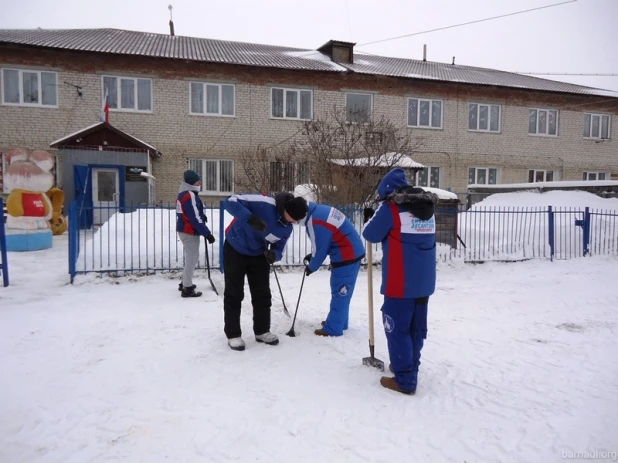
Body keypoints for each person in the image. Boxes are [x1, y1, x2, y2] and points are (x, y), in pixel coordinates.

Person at [362, 168, 438, 395]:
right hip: (424, 282)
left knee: (396, 329)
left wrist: (370, 217)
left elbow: (370, 234)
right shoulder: (428, 210)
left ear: (388, 193)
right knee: (415, 328)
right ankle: (408, 365)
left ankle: (404, 380)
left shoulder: (391, 208)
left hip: (400, 280)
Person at [222, 192, 308, 351]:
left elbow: (279, 246)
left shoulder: (287, 228)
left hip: (259, 255)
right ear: (288, 211)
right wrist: (250, 218)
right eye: (294, 218)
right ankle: (233, 334)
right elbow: (229, 201)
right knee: (234, 292)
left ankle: (262, 331)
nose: (295, 223)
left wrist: (274, 254)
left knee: (262, 294)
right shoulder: (265, 203)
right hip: (235, 248)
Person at [300, 203, 365, 337]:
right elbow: (326, 240)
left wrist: (312, 266)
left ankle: (334, 328)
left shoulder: (315, 220)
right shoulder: (320, 211)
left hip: (347, 257)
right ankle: (340, 321)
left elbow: (320, 249)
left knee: (340, 292)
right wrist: (312, 257)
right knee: (343, 292)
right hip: (351, 253)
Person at [176, 169, 216, 298]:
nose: (200, 183)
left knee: (190, 258)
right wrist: (207, 233)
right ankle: (187, 288)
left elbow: (190, 213)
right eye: (198, 181)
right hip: (189, 231)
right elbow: (194, 217)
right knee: (192, 259)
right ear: (192, 182)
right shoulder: (189, 195)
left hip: (185, 229)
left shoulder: (183, 193)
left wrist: (201, 216)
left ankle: (184, 282)